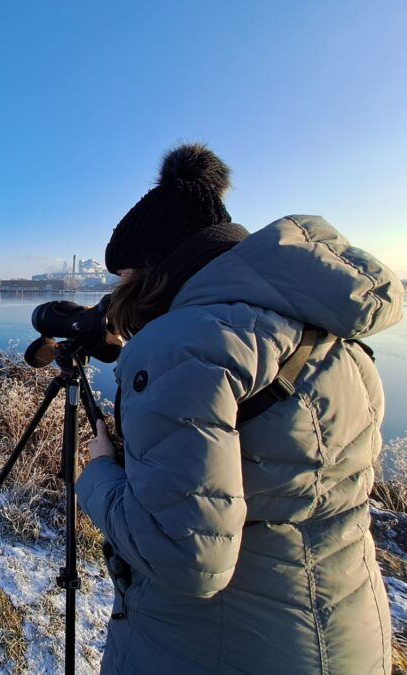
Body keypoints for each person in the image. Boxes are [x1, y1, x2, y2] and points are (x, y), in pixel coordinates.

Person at [76, 143, 402, 674]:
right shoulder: (325, 332)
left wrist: (95, 474)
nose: (118, 293)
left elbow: (187, 558)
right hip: (345, 632)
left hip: (215, 647)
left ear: (155, 268)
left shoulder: (183, 346)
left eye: (124, 277)